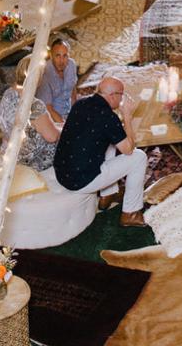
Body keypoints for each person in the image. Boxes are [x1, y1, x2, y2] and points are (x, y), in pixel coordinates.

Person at [52, 75, 148, 225]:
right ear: (112, 96)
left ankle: (107, 196)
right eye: (122, 94)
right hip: (80, 181)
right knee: (139, 157)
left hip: (63, 172)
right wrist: (127, 116)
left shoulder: (80, 103)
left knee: (109, 141)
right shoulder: (108, 117)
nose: (122, 99)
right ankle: (130, 213)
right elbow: (128, 149)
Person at [33, 38, 81, 118]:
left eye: (65, 56)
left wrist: (75, 112)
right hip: (54, 117)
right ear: (51, 56)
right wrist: (65, 125)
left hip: (69, 110)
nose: (61, 61)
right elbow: (48, 109)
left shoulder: (71, 64)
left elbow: (73, 88)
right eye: (57, 56)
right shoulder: (45, 74)